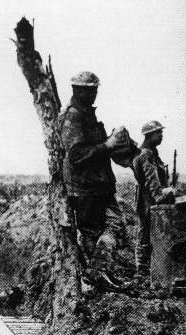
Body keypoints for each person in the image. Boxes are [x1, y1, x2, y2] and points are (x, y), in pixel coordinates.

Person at [59, 71, 131, 291]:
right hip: (85, 188)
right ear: (78, 91)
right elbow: (77, 155)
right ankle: (95, 279)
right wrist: (108, 145)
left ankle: (98, 274)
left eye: (95, 90)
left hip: (99, 186)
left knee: (115, 226)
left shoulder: (86, 116)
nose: (94, 94)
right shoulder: (73, 117)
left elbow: (98, 150)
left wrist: (118, 144)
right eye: (90, 90)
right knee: (92, 234)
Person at [132, 120, 175, 277]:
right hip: (147, 199)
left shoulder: (151, 153)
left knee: (148, 231)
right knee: (146, 231)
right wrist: (164, 194)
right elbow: (152, 182)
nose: (161, 136)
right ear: (150, 136)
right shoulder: (146, 155)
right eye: (159, 133)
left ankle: (148, 268)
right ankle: (143, 271)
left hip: (148, 198)